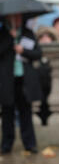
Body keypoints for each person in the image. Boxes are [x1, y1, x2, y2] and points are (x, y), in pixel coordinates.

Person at [0, 14, 42, 154]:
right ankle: (6, 144)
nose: (16, 21)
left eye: (19, 18)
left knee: (26, 113)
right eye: (14, 18)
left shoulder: (27, 33)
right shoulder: (3, 34)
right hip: (7, 80)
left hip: (23, 80)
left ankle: (29, 144)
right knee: (7, 113)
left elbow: (37, 53)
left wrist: (23, 51)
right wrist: (10, 40)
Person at [36, 26, 59, 126]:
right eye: (42, 37)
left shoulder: (58, 56)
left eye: (48, 37)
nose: (45, 40)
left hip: (53, 89)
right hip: (39, 89)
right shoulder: (35, 56)